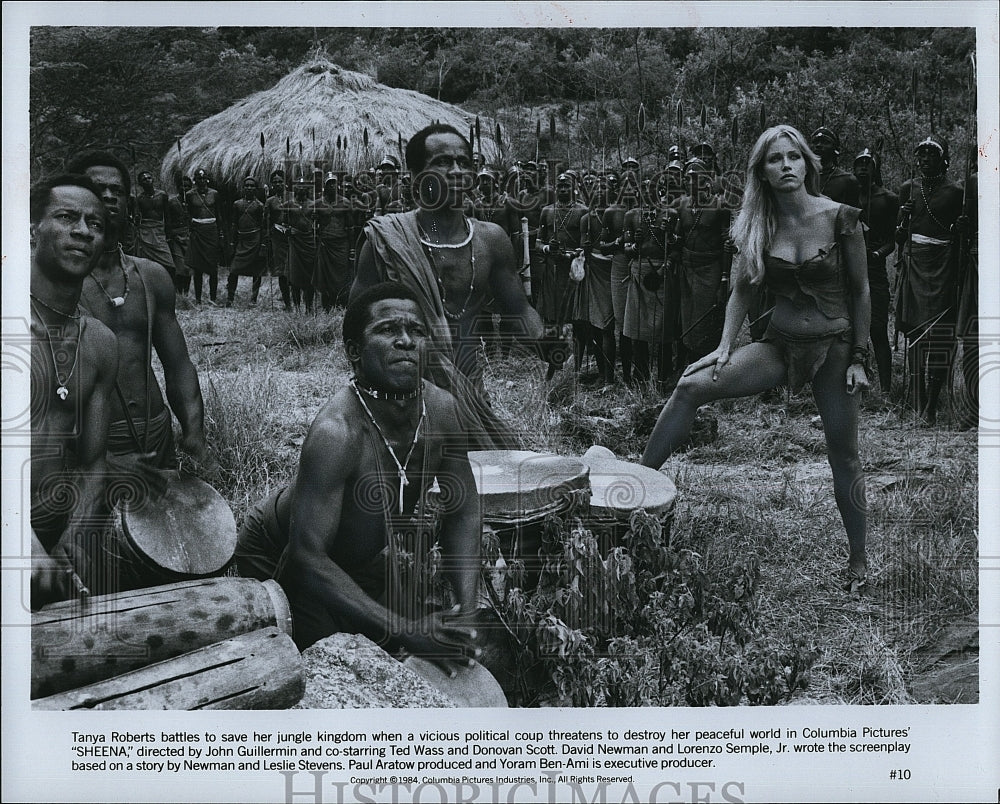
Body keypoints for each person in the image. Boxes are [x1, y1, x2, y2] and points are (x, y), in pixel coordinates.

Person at [642, 124, 871, 592]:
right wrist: (725, 346)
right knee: (689, 387)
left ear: (808, 163)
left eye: (794, 156)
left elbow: (863, 290)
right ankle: (633, 492)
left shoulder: (840, 216)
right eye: (774, 159)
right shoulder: (756, 223)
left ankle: (859, 563)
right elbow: (741, 290)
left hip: (836, 348)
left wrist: (860, 357)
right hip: (780, 347)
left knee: (843, 457)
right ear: (761, 172)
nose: (786, 165)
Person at [236, 283, 481, 668]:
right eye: (387, 330)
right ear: (354, 352)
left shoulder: (443, 411)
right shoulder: (337, 432)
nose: (405, 341)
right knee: (330, 666)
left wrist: (467, 613)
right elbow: (305, 557)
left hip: (356, 558)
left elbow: (463, 512)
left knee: (411, 648)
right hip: (283, 555)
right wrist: (404, 627)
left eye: (417, 331)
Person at [352, 123, 552, 449]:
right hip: (400, 398)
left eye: (465, 162)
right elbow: (356, 326)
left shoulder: (491, 240)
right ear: (416, 176)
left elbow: (519, 309)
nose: (457, 171)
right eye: (443, 162)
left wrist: (547, 343)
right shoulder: (386, 241)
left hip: (468, 395)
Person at [66, 149, 211, 471]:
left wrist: (193, 431)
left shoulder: (151, 276)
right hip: (89, 447)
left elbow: (179, 364)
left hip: (155, 433)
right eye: (96, 189)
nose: (108, 196)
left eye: (117, 190)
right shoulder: (55, 284)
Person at [28, 173, 118, 607]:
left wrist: (73, 538)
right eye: (66, 218)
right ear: (32, 229)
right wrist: (23, 546)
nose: (83, 231)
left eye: (95, 224)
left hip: (53, 533)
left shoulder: (99, 342)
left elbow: (93, 460)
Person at [895, 135, 964, 423]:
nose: (924, 159)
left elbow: (961, 238)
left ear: (944, 159)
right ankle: (916, 401)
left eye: (931, 155)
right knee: (913, 331)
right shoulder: (908, 189)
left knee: (939, 334)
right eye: (921, 154)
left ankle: (932, 406)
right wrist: (902, 217)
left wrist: (960, 227)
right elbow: (898, 236)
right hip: (914, 264)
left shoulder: (956, 192)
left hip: (942, 267)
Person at [673, 157, 731, 363]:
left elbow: (727, 245)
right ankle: (688, 364)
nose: (688, 182)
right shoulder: (682, 204)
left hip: (710, 269)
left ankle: (708, 365)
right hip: (687, 269)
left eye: (693, 178)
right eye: (686, 178)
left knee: (706, 320)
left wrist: (724, 279)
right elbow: (678, 237)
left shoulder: (720, 206)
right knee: (686, 318)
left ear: (706, 181)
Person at [852, 148, 899, 394]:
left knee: (877, 328)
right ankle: (856, 384)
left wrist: (878, 253)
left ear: (876, 168)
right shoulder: (847, 196)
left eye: (867, 163)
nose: (862, 167)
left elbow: (892, 240)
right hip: (849, 270)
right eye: (858, 163)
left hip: (875, 271)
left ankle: (887, 391)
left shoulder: (888, 198)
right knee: (849, 330)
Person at [538, 173, 587, 331]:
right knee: (551, 314)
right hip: (553, 268)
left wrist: (572, 254)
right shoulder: (547, 211)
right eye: (560, 186)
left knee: (575, 315)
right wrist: (548, 248)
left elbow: (586, 244)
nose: (564, 189)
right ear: (555, 189)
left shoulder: (582, 211)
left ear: (573, 189)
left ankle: (577, 351)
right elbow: (538, 243)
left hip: (573, 268)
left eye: (567, 186)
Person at [312, 173, 355, 310]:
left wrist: (352, 248)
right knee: (325, 276)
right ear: (324, 187)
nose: (332, 186)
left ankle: (341, 303)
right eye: (329, 183)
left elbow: (350, 227)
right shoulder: (318, 203)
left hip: (341, 244)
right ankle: (327, 305)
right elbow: (313, 225)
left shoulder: (345, 203)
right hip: (325, 244)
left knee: (341, 275)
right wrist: (313, 219)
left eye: (334, 183)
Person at [184, 168, 224, 304]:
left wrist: (221, 235)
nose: (201, 181)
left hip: (211, 231)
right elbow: (188, 214)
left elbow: (219, 215)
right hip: (197, 232)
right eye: (198, 178)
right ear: (194, 180)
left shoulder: (215, 194)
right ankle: (198, 299)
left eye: (203, 178)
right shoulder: (189, 195)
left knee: (213, 267)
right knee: (197, 268)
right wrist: (191, 229)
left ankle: (213, 298)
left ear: (207, 179)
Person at [225, 176, 266, 307]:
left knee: (257, 271)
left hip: (255, 240)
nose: (249, 188)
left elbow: (262, 226)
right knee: (233, 270)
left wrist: (262, 245)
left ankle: (253, 299)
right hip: (242, 241)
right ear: (243, 188)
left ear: (255, 189)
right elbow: (234, 224)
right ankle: (230, 298)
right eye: (247, 185)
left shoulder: (260, 206)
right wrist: (232, 242)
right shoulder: (237, 204)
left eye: (252, 186)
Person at [133, 170, 175, 277]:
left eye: (149, 178)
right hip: (146, 232)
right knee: (147, 264)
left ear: (153, 179)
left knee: (169, 264)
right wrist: (136, 218)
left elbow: (168, 216)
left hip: (159, 232)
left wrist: (169, 234)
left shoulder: (162, 195)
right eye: (144, 179)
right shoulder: (140, 199)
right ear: (140, 184)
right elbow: (137, 218)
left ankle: (171, 287)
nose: (147, 180)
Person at [286, 177, 317, 312]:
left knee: (309, 275)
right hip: (295, 243)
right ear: (295, 188)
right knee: (294, 276)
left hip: (309, 242)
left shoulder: (313, 204)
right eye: (299, 185)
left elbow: (317, 224)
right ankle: (297, 306)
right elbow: (284, 223)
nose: (301, 188)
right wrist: (288, 230)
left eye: (304, 186)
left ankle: (309, 307)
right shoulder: (289, 204)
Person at [264, 170, 293, 310]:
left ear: (285, 183)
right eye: (275, 182)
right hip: (278, 238)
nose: (278, 184)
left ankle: (297, 300)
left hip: (293, 237)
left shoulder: (293, 197)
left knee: (294, 267)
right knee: (282, 270)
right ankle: (287, 303)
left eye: (280, 181)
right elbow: (267, 221)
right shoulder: (270, 201)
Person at [810, 127, 861, 207]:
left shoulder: (848, 181)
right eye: (815, 142)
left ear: (835, 149)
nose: (818, 145)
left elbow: (852, 216)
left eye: (825, 142)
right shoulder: (802, 177)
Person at [166, 175, 192, 297]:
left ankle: (186, 293)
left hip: (190, 236)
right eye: (182, 186)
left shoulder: (192, 201)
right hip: (176, 236)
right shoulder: (172, 202)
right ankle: (177, 291)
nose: (185, 188)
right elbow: (168, 220)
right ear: (178, 187)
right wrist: (171, 236)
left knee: (189, 266)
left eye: (187, 186)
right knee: (179, 266)